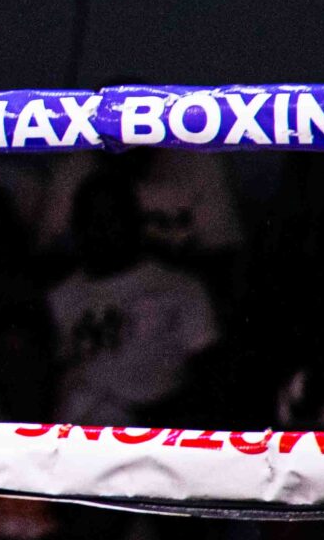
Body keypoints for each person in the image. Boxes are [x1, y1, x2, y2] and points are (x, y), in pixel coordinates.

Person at [48, 171, 219, 426]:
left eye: (111, 217)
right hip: (74, 431)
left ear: (134, 221)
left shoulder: (180, 288)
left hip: (153, 427)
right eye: (91, 219)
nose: (101, 229)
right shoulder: (58, 297)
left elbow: (209, 376)